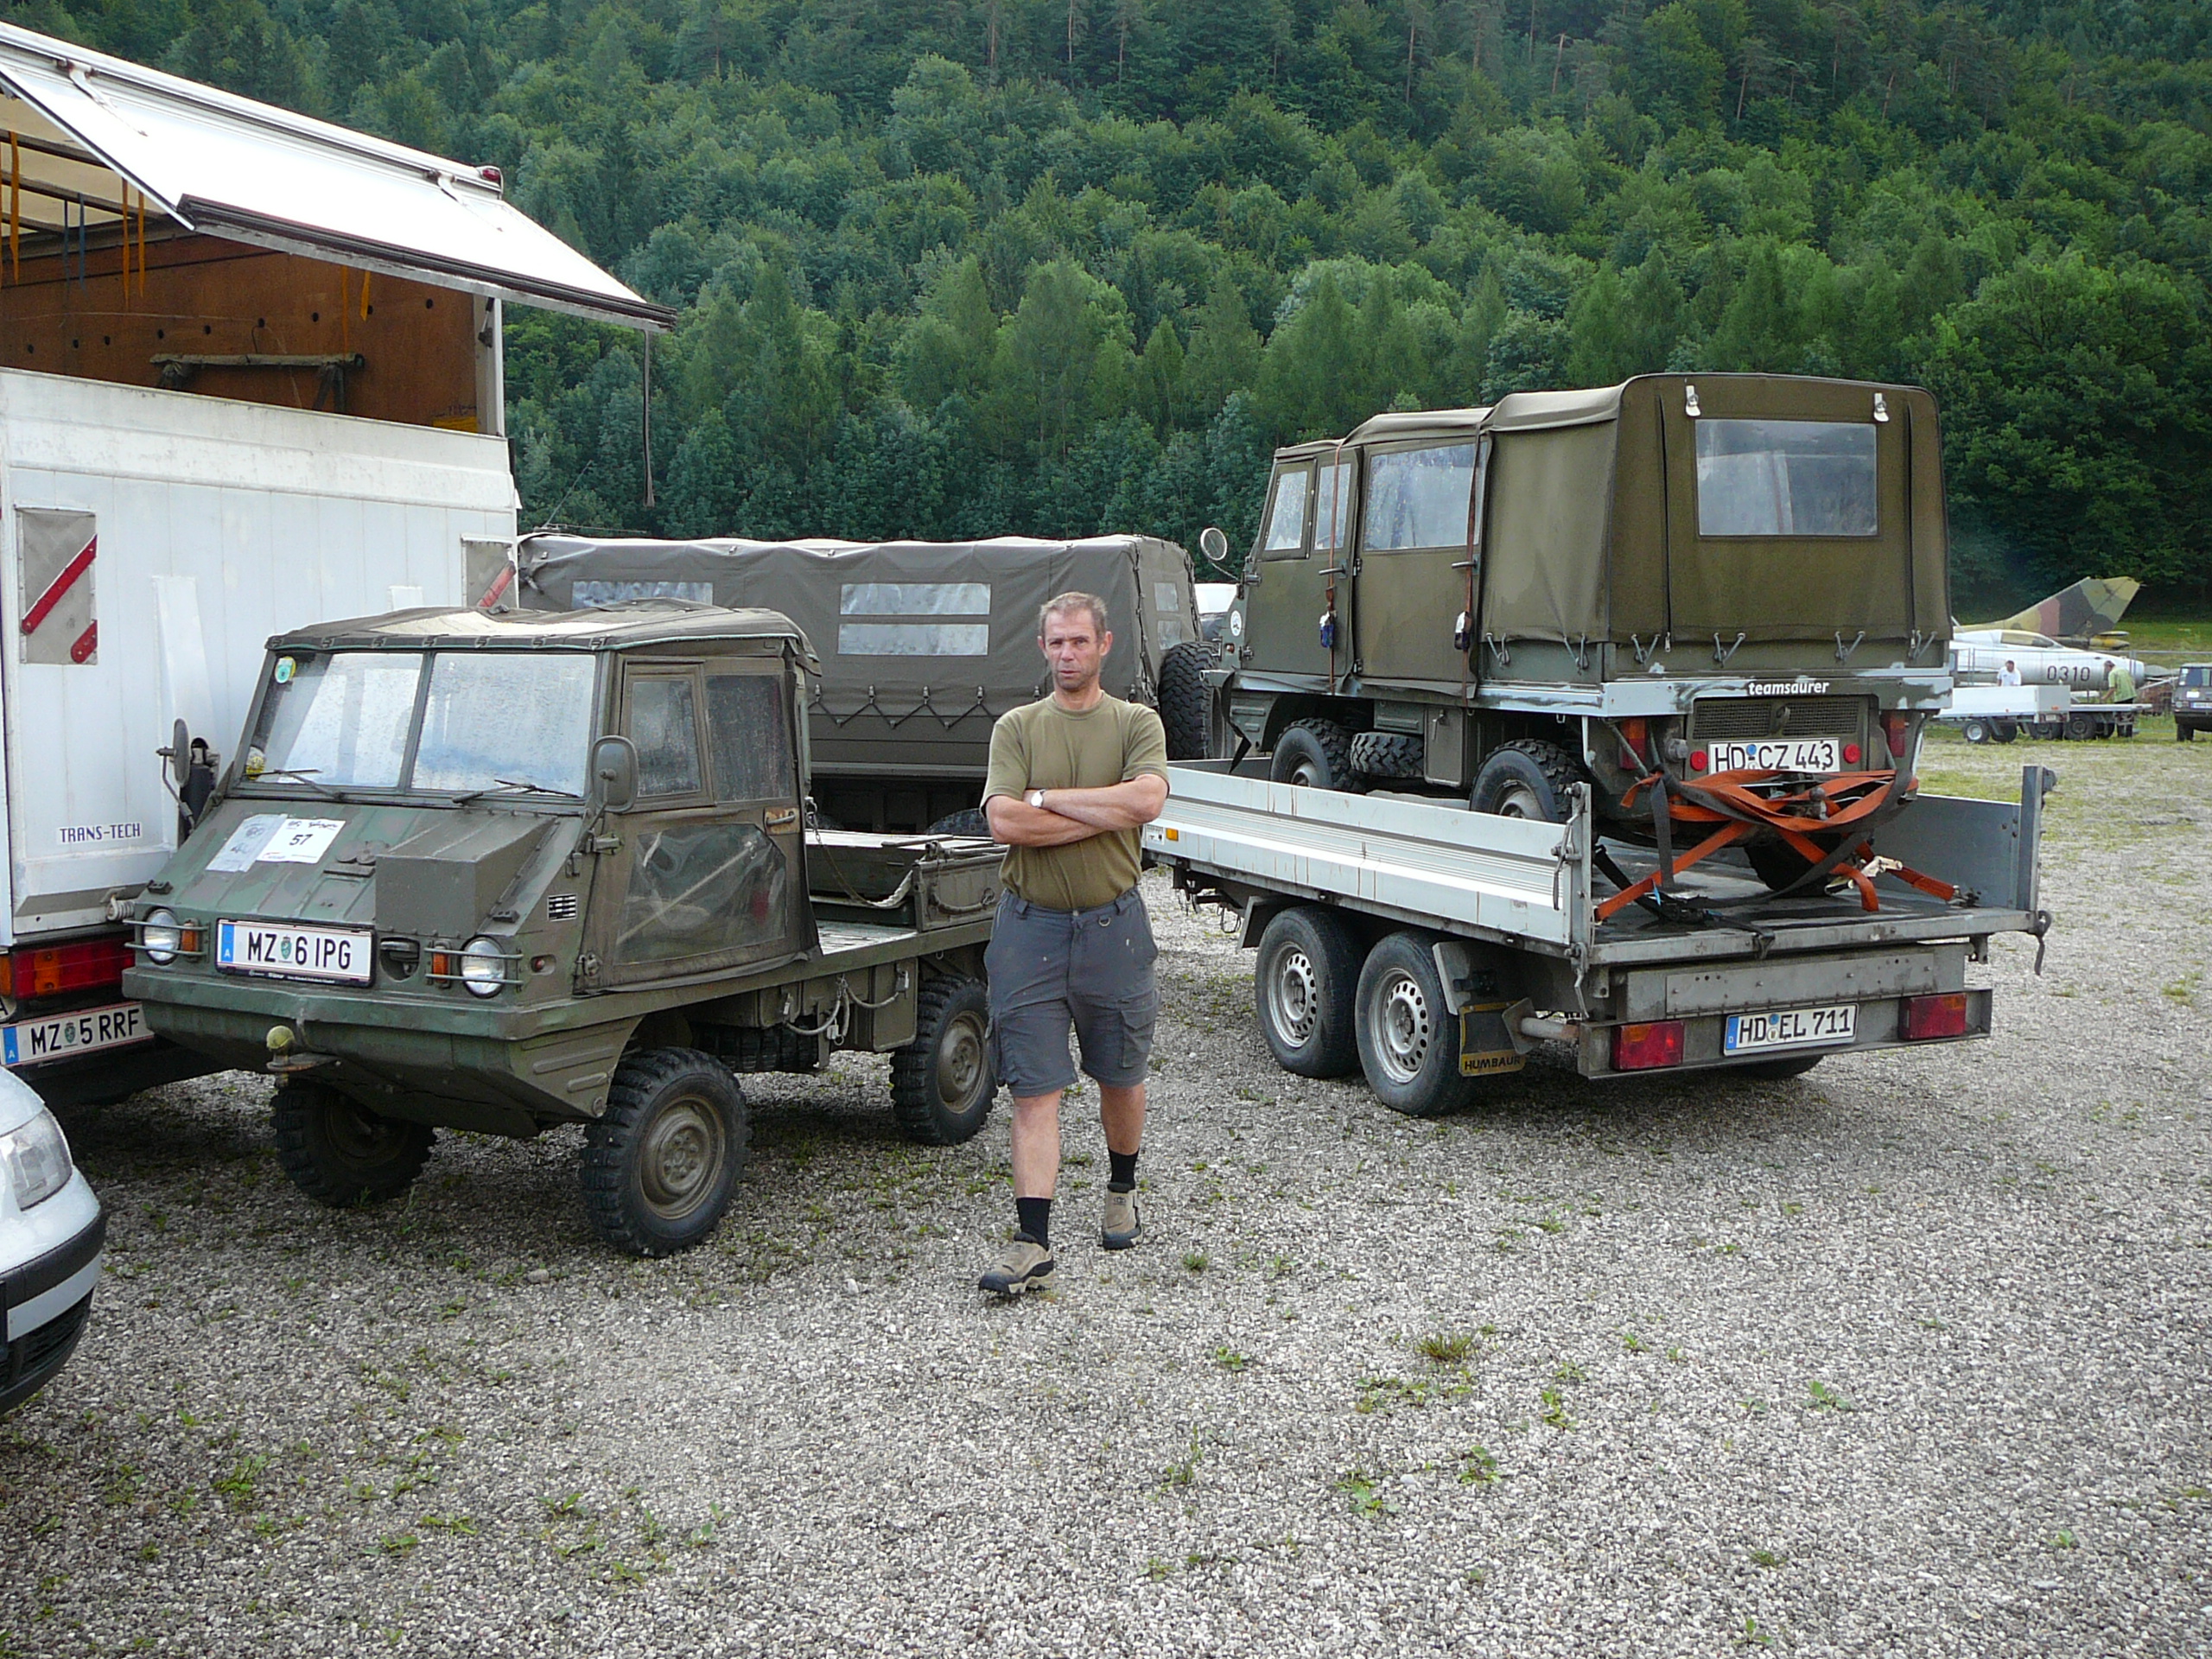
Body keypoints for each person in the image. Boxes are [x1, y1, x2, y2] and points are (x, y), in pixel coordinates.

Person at [975, 592, 1170, 1296]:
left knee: (1120, 1072)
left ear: (1104, 644)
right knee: (1034, 1088)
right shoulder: (1017, 728)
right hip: (1030, 930)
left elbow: (1146, 801)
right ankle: (1033, 1242)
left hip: (1114, 928)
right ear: (1042, 647)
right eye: (1056, 643)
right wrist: (1101, 809)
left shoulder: (1135, 722)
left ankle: (1122, 1188)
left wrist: (1048, 798)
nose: (1067, 654)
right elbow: (1004, 821)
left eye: (1079, 642)